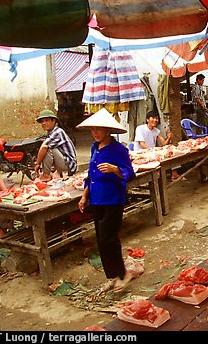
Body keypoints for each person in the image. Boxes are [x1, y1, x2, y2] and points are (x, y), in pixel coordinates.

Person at [76, 108, 137, 293]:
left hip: (113, 199)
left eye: (99, 130)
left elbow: (130, 174)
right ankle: (112, 276)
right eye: (92, 129)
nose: (95, 133)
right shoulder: (95, 148)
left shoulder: (119, 150)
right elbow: (91, 174)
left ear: (108, 130)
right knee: (101, 241)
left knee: (109, 238)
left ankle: (123, 274)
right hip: (96, 199)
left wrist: (114, 169)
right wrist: (84, 195)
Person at [134, 110, 179, 180]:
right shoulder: (140, 128)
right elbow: (142, 144)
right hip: (141, 154)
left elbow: (164, 143)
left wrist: (169, 137)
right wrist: (153, 151)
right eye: (153, 118)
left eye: (157, 118)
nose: (155, 120)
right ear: (147, 119)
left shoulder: (156, 130)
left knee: (171, 152)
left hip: (151, 153)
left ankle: (174, 173)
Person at [34, 109, 77, 181]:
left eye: (47, 120)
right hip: (62, 163)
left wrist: (37, 163)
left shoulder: (58, 132)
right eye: (42, 121)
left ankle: (46, 175)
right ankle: (49, 173)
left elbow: (44, 147)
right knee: (46, 145)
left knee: (47, 148)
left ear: (53, 121)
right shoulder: (50, 132)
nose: (44, 123)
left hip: (68, 166)